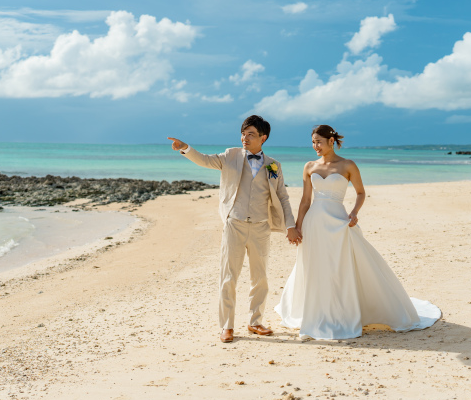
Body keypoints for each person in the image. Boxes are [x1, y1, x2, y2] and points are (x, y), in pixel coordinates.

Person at [274, 124, 440, 340]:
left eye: (319, 142)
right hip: (314, 223)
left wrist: (354, 212)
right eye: (313, 142)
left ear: (331, 141)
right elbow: (306, 200)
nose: (315, 146)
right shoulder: (309, 166)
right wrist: (297, 227)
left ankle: (344, 312)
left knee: (340, 267)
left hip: (339, 222)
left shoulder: (348, 165)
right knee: (315, 266)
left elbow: (361, 192)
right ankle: (318, 312)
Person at [168, 115, 301, 343]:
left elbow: (283, 197)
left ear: (263, 138)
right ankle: (227, 326)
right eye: (243, 134)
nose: (244, 138)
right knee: (228, 276)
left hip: (261, 227)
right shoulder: (230, 155)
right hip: (235, 224)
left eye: (251, 134)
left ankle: (255, 321)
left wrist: (290, 225)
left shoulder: (273, 165)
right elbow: (205, 160)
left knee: (260, 278)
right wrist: (185, 148)